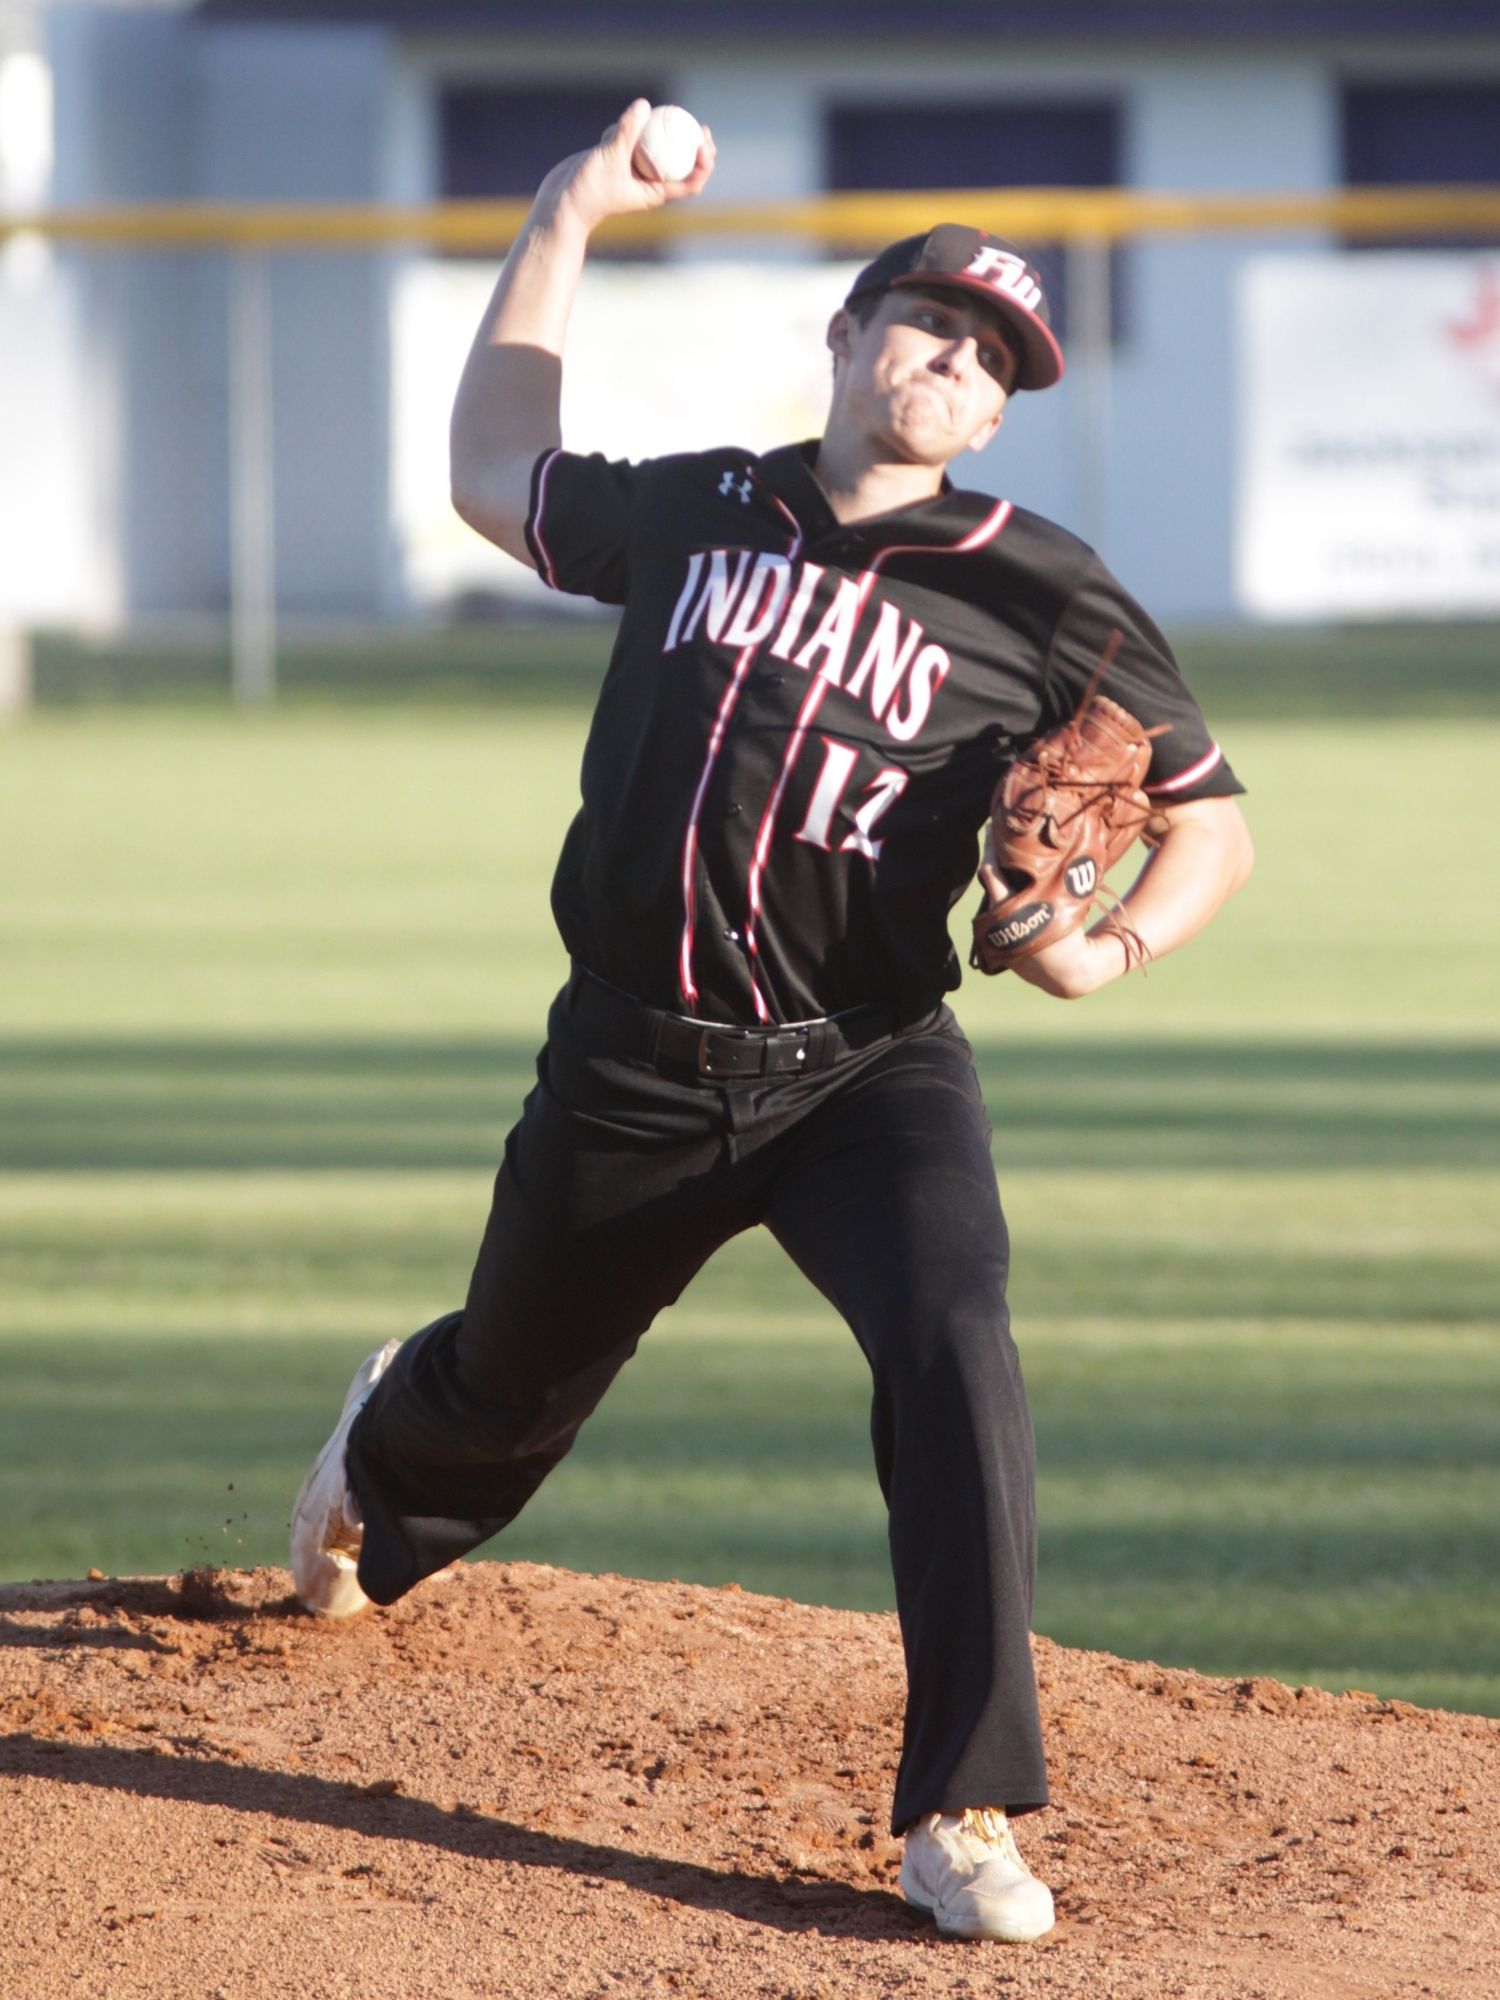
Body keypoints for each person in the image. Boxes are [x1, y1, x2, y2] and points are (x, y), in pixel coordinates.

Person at [290, 101, 1253, 1944]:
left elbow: (1214, 819)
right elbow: (498, 465)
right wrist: (570, 205)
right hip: (632, 1068)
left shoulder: (1045, 589)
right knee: (496, 1411)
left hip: (866, 1067)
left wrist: (1104, 952)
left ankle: (965, 1805)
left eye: (994, 363)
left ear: (998, 412)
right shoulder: (702, 505)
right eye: (931, 324)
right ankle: (378, 1445)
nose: (955, 365)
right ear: (847, 334)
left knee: (957, 1341)